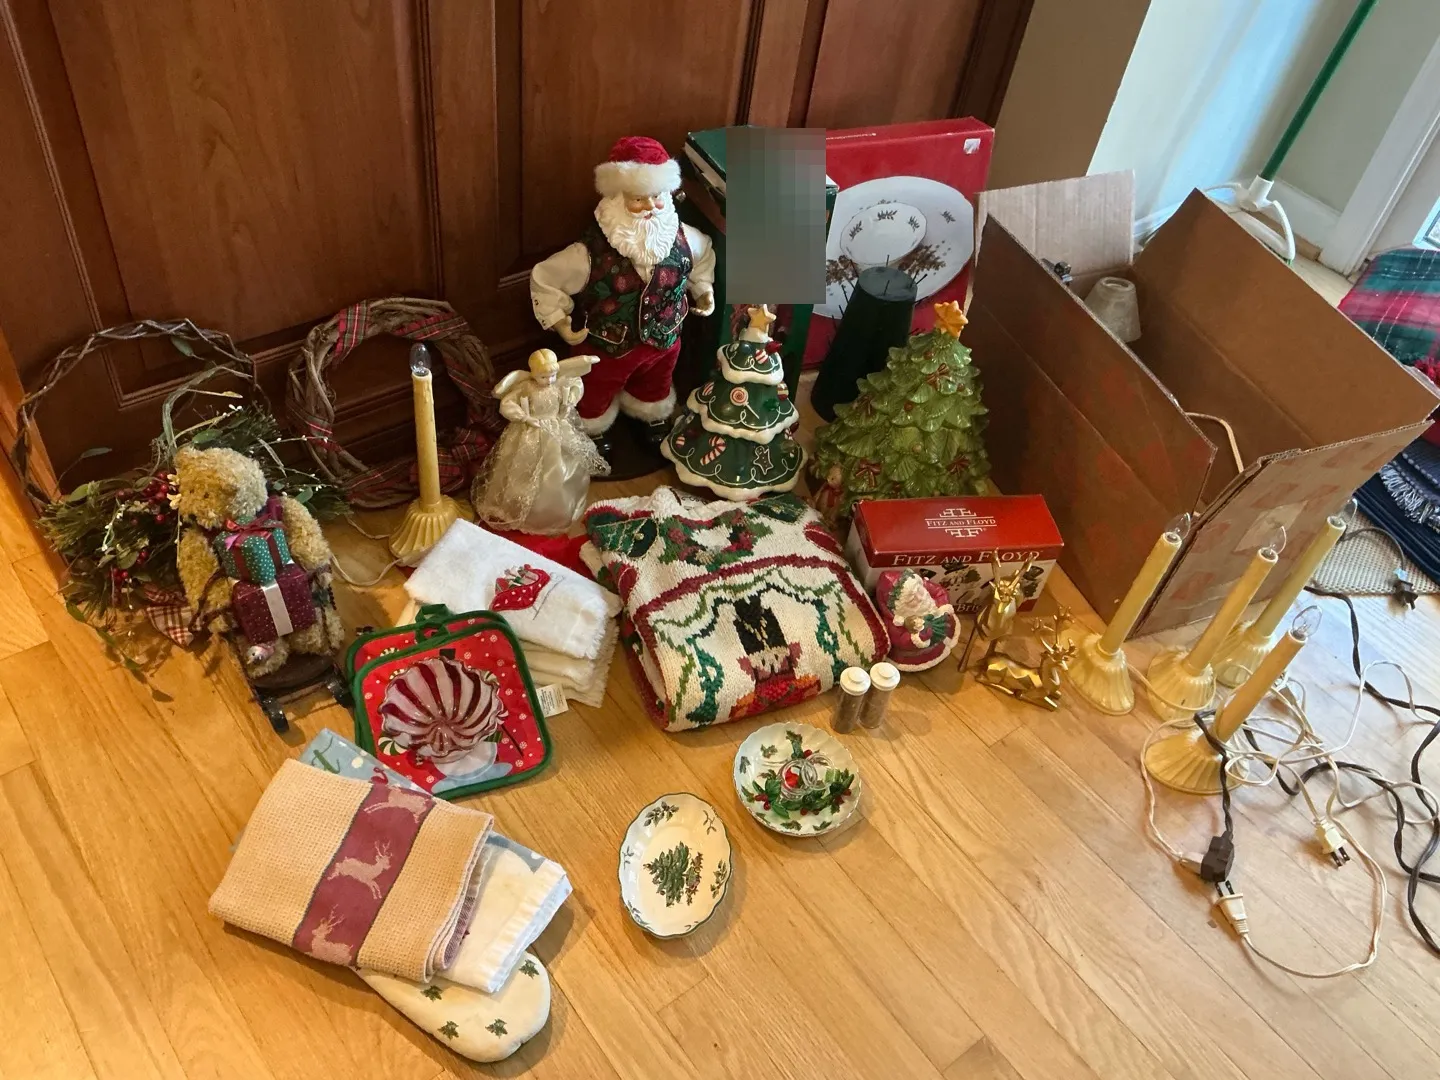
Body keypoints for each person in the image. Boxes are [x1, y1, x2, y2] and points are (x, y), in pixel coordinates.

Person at [529, 135, 716, 450]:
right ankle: (593, 427)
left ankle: (650, 413)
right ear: (617, 199)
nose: (649, 207)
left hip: (664, 340)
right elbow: (546, 278)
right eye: (638, 199)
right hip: (607, 345)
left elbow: (703, 256)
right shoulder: (589, 253)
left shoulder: (685, 238)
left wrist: (703, 289)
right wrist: (560, 322)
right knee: (596, 386)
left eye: (656, 197)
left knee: (656, 381)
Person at [471, 349, 607, 535]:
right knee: (522, 468)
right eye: (543, 377)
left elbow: (575, 385)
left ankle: (557, 509)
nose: (549, 380)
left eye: (552, 375)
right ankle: (523, 510)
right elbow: (507, 403)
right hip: (532, 430)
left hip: (557, 429)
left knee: (560, 467)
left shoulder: (558, 383)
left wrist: (567, 404)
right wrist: (524, 417)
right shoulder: (526, 387)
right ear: (533, 374)